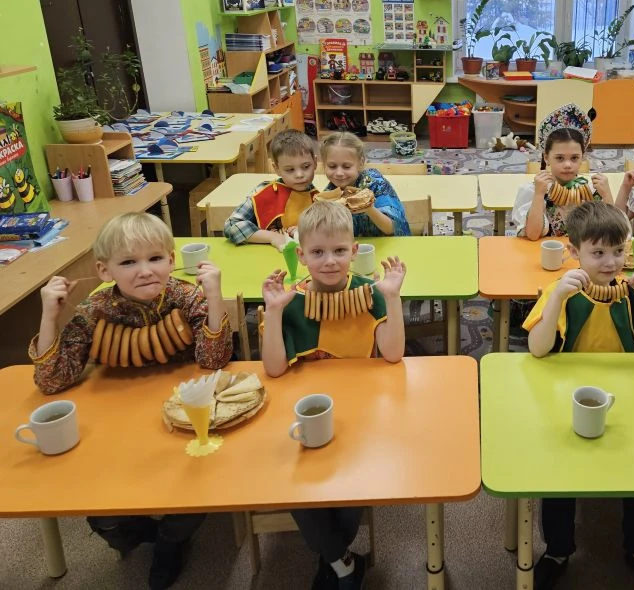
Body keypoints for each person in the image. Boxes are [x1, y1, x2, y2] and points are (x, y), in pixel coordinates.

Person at [30, 212, 231, 590]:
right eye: (128, 263)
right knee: (102, 515)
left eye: (155, 258)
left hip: (182, 421)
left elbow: (213, 361)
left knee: (197, 492)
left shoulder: (185, 297)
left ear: (171, 260)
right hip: (116, 424)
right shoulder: (95, 310)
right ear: (104, 270)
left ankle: (171, 542)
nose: (145, 271)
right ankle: (143, 534)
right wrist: (49, 317)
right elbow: (52, 381)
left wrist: (215, 298)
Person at [523, 202, 634, 590]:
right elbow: (538, 349)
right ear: (574, 252)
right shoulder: (560, 292)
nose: (610, 263)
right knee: (558, 472)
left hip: (628, 398)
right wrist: (556, 299)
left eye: (618, 251)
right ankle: (557, 549)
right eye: (597, 253)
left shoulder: (632, 294)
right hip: (567, 397)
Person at [259, 199, 406, 589]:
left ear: (354, 251)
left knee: (353, 485)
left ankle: (334, 558)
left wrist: (392, 297)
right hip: (303, 412)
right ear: (301, 255)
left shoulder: (370, 293)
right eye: (318, 253)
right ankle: (342, 561)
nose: (329, 262)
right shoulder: (291, 301)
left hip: (361, 414)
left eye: (339, 251)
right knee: (294, 484)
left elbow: (393, 354)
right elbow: (274, 369)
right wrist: (273, 313)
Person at [513, 103, 614, 240]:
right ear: (546, 157)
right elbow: (532, 234)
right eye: (560, 158)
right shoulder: (535, 189)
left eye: (574, 158)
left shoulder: (592, 190)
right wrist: (538, 195)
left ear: (582, 157)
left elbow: (613, 232)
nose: (567, 165)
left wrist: (607, 195)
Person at [224, 129, 320, 248]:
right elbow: (231, 226)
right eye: (290, 170)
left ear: (315, 162)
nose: (299, 175)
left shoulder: (319, 197)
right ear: (276, 169)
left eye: (306, 166)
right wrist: (272, 237)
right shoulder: (264, 192)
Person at [320, 131, 410, 236]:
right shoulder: (328, 194)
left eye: (346, 167)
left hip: (391, 243)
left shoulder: (376, 184)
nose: (339, 173)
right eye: (332, 166)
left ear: (361, 163)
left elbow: (391, 228)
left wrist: (368, 208)